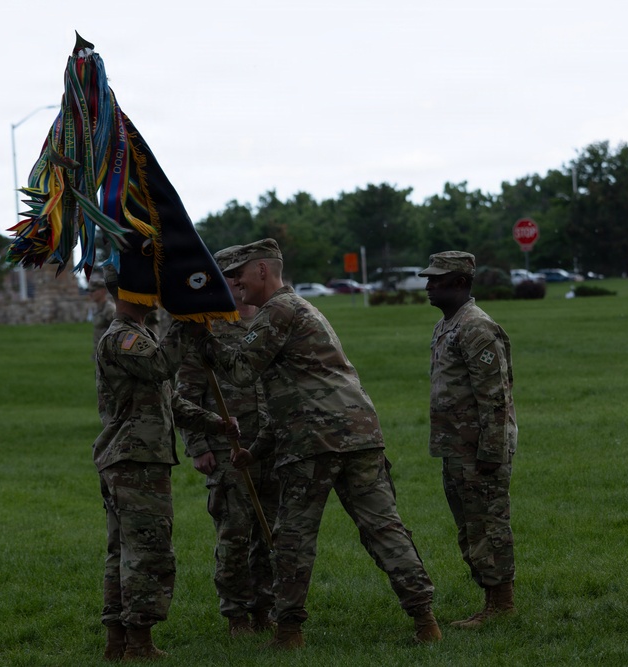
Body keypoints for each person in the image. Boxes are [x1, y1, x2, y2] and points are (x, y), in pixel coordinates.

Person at [190, 238, 441, 649]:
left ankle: (289, 633)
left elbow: (239, 371)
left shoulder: (277, 311)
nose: (234, 286)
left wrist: (201, 336)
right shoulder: (303, 308)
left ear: (262, 271)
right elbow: (296, 390)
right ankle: (425, 619)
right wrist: (258, 447)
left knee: (292, 540)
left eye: (237, 277)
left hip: (315, 442)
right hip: (359, 435)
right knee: (384, 529)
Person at [94, 268, 240, 661]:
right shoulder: (122, 338)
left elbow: (168, 400)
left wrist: (218, 424)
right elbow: (161, 367)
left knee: (124, 551)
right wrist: (186, 320)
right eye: (151, 288)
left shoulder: (140, 336)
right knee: (148, 552)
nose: (157, 294)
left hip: (135, 458)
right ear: (132, 292)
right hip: (134, 460)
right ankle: (137, 642)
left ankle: (118, 641)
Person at [176, 245, 279, 637]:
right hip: (226, 450)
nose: (235, 284)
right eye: (228, 277)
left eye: (239, 275)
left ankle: (264, 608)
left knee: (270, 531)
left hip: (268, 445)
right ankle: (236, 613)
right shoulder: (209, 330)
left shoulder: (271, 322)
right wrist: (198, 446)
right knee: (235, 535)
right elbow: (185, 395)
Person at [420, 251, 517, 628]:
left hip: (479, 450)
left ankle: (501, 605)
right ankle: (492, 600)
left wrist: (491, 451)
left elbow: (496, 396)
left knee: (488, 526)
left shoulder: (476, 327)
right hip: (456, 448)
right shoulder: (449, 324)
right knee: (470, 527)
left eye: (436, 280)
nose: (428, 286)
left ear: (460, 283)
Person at [88, 274, 116, 358]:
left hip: (109, 353)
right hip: (100, 350)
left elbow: (116, 331)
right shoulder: (96, 308)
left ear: (103, 291)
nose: (90, 294)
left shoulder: (110, 309)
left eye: (93, 291)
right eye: (89, 291)